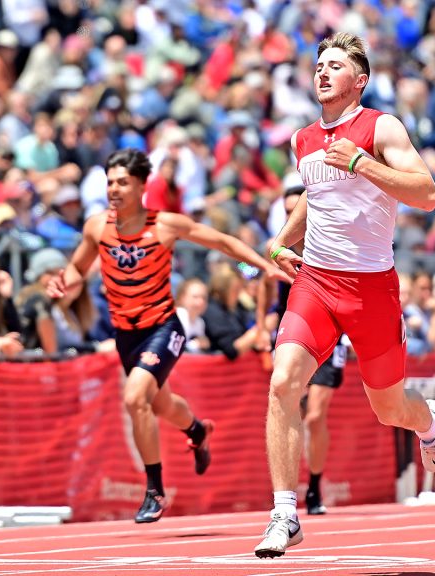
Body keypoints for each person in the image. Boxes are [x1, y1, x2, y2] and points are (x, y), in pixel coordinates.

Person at [256, 32, 435, 558]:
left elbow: (427, 194)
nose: (322, 72)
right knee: (282, 382)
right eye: (318, 64)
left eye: (334, 65)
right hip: (316, 282)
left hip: (371, 288)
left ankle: (428, 420)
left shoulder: (380, 126)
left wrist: (361, 163)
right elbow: (316, 200)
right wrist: (279, 243)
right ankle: (284, 513)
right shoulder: (302, 140)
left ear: (358, 81)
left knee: (389, 409)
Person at [46, 148, 291, 524]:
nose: (114, 189)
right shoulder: (97, 227)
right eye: (110, 182)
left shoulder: (165, 225)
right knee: (160, 405)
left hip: (163, 327)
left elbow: (224, 244)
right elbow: (78, 269)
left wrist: (260, 268)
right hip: (126, 335)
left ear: (143, 185)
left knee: (134, 399)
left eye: (123, 182)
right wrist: (64, 283)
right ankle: (196, 429)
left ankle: (154, 491)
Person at [259, 179, 347, 517]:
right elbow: (249, 270)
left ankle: (314, 485)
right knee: (287, 402)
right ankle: (286, 495)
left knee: (315, 415)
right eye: (286, 211)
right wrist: (261, 318)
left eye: (298, 210)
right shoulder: (277, 243)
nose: (292, 216)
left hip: (331, 329)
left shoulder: (328, 243)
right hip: (293, 329)